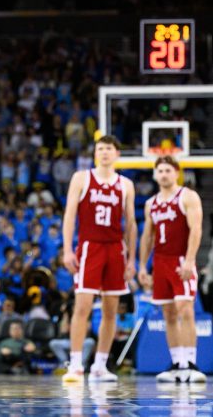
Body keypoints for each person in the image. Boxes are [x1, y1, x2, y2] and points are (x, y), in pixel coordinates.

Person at [61, 135, 138, 383]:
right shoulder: (81, 178)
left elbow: (131, 224)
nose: (104, 152)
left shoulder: (125, 184)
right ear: (96, 154)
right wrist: (67, 249)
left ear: (117, 154)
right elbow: (70, 216)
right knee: (82, 307)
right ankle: (75, 365)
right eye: (100, 148)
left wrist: (132, 259)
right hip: (90, 246)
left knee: (110, 310)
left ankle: (100, 365)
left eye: (109, 148)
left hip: (116, 248)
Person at [137, 156, 206, 383]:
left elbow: (196, 229)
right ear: (155, 174)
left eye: (168, 170)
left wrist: (189, 259)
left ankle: (192, 364)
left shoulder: (187, 196)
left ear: (176, 172)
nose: (164, 174)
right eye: (160, 170)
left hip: (180, 259)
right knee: (168, 314)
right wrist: (142, 266)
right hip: (160, 261)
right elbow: (147, 236)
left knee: (186, 310)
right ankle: (178, 363)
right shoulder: (151, 203)